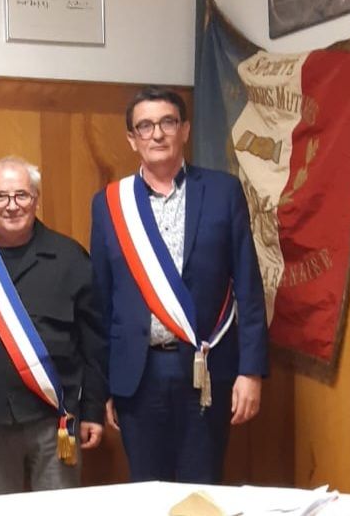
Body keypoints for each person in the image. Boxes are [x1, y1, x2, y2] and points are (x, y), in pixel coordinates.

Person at [90, 87, 268, 484]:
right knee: (148, 490)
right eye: (145, 126)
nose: (157, 134)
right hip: (137, 374)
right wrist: (103, 389)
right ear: (131, 138)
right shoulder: (110, 205)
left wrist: (251, 372)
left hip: (206, 369)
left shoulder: (223, 192)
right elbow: (102, 303)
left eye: (167, 122)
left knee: (201, 488)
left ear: (185, 130)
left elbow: (249, 289)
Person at [0, 156, 107, 496]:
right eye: (1, 196)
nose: (12, 205)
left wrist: (92, 410)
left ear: (36, 199)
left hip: (55, 422)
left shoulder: (70, 258)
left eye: (21, 195)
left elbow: (94, 343)